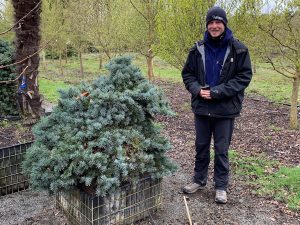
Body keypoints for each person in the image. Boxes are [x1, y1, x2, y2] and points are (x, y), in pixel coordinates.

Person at [181, 6, 252, 204]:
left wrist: (217, 92)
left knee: (221, 149)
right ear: (207, 25)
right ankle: (198, 180)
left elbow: (244, 77)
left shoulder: (239, 49)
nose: (214, 26)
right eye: (211, 22)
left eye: (218, 22)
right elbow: (187, 74)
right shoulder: (197, 49)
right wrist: (196, 89)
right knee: (201, 146)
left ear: (224, 24)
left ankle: (221, 186)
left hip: (225, 109)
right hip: (202, 108)